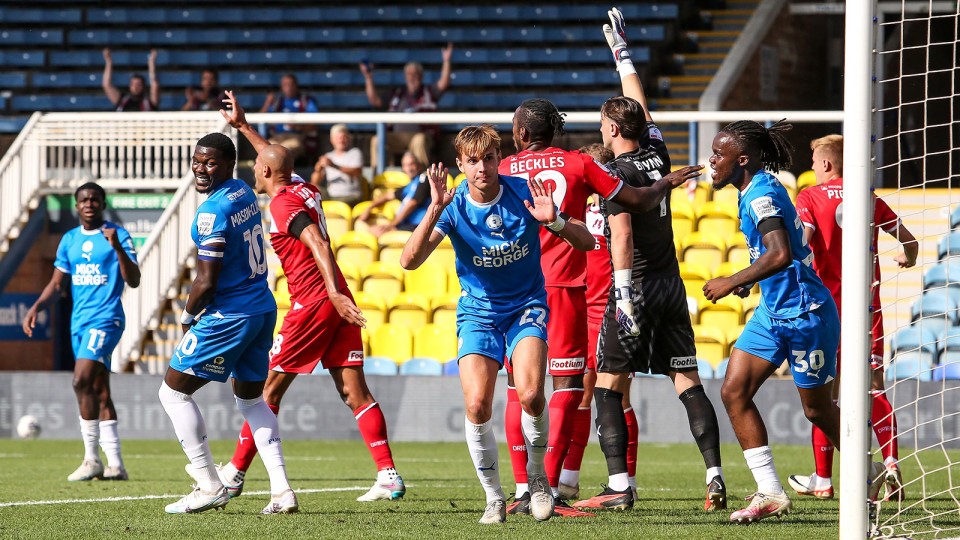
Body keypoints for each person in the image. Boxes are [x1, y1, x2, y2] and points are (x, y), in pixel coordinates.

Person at [498, 99, 703, 516]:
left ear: (519, 133)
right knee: (570, 389)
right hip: (567, 288)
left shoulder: (498, 170)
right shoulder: (578, 164)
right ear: (556, 131)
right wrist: (668, 180)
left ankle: (525, 489)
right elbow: (637, 199)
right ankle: (548, 489)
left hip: (515, 291)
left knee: (518, 389)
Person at [400, 124, 596, 524]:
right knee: (476, 405)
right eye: (472, 161)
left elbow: (588, 241)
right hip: (478, 312)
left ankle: (537, 480)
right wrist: (434, 208)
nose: (482, 168)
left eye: (489, 158)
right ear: (461, 164)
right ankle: (494, 497)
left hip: (526, 306)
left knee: (530, 396)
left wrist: (555, 221)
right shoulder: (453, 207)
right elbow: (409, 260)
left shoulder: (525, 192)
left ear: (498, 158)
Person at [218, 91, 405, 503]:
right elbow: (275, 158)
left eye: (256, 165)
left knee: (267, 392)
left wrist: (334, 294)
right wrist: (244, 126)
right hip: (335, 300)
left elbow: (319, 242)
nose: (253, 168)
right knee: (354, 391)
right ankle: (388, 474)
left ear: (266, 171)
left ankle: (233, 474)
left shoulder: (284, 205)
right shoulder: (303, 187)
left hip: (315, 302)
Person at [573, 9, 724, 513]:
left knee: (610, 387)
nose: (600, 126)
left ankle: (619, 487)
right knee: (688, 380)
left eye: (602, 122)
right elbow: (640, 104)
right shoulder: (657, 152)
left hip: (634, 287)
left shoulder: (614, 172)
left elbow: (620, 236)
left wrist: (621, 296)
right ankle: (715, 477)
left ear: (613, 128)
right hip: (671, 284)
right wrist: (622, 55)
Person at [703, 120, 884, 523]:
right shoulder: (752, 188)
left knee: (817, 411)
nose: (712, 161)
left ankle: (868, 471)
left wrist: (732, 280)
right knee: (733, 391)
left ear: (743, 159)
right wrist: (754, 279)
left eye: (719, 155)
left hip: (806, 314)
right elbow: (773, 255)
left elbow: (780, 252)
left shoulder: (762, 194)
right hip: (774, 312)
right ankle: (769, 491)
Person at [159, 130, 295, 515]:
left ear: (228, 164)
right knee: (251, 400)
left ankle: (208, 484)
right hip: (262, 307)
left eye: (210, 162)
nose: (200, 169)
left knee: (172, 393)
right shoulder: (243, 191)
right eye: (197, 161)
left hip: (230, 315)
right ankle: (282, 491)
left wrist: (187, 316)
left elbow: (205, 281)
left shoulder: (211, 211)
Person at [788, 134, 917, 502]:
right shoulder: (869, 197)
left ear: (827, 164)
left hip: (826, 310)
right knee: (874, 387)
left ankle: (824, 479)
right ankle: (891, 463)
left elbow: (803, 242)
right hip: (868, 311)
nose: (812, 169)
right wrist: (907, 257)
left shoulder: (810, 197)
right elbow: (909, 241)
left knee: (824, 396)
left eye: (813, 162)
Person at [22, 182, 140, 482]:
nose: (89, 204)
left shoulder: (117, 235)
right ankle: (116, 465)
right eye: (84, 200)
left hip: (106, 319)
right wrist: (37, 306)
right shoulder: (69, 240)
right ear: (77, 206)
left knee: (80, 380)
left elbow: (134, 279)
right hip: (79, 323)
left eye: (95, 199)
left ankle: (91, 459)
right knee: (99, 390)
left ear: (102, 203)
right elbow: (57, 284)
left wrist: (115, 247)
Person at [360, 44, 453, 169]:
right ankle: (379, 178)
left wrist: (446, 61)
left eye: (415, 74)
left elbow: (444, 82)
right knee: (377, 140)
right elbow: (375, 100)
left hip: (420, 135)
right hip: (398, 136)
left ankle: (423, 179)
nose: (412, 77)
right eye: (409, 74)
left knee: (420, 140)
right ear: (405, 77)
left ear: (421, 76)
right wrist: (368, 78)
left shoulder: (429, 91)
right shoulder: (397, 93)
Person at [358, 152, 429, 236]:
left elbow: (412, 203)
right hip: (406, 225)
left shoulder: (424, 179)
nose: (409, 168)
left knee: (377, 232)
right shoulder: (409, 186)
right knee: (369, 229)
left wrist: (392, 224)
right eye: (406, 165)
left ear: (419, 165)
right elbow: (388, 195)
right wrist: (369, 207)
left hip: (419, 225)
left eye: (412, 164)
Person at [259, 73, 319, 160]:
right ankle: (259, 171)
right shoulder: (277, 102)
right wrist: (267, 103)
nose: (288, 87)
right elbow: (261, 118)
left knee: (283, 152)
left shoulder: (306, 101)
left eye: (291, 84)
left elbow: (314, 124)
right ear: (281, 87)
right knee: (265, 150)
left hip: (296, 137)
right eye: (285, 85)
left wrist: (297, 127)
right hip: (277, 137)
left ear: (296, 86)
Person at [309, 124, 367, 206]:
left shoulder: (355, 152)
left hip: (350, 195)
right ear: (332, 140)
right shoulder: (328, 156)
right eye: (338, 138)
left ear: (348, 138)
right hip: (330, 195)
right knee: (310, 192)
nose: (341, 140)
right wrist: (318, 169)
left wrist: (333, 165)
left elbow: (357, 171)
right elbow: (314, 182)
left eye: (344, 137)